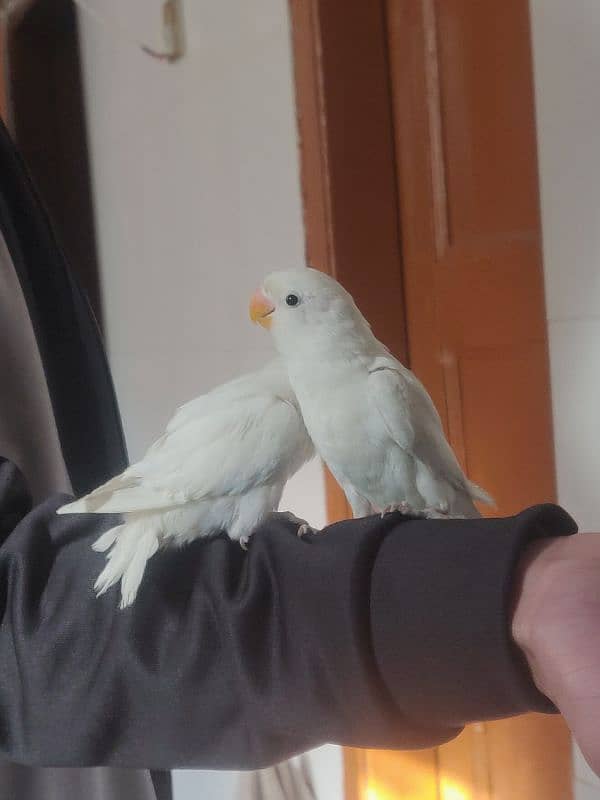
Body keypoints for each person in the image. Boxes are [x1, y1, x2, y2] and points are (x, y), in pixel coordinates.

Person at [0, 119, 598, 800]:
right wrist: (488, 598)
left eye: (286, 304)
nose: (267, 312)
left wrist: (489, 588)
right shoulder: (294, 399)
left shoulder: (376, 386)